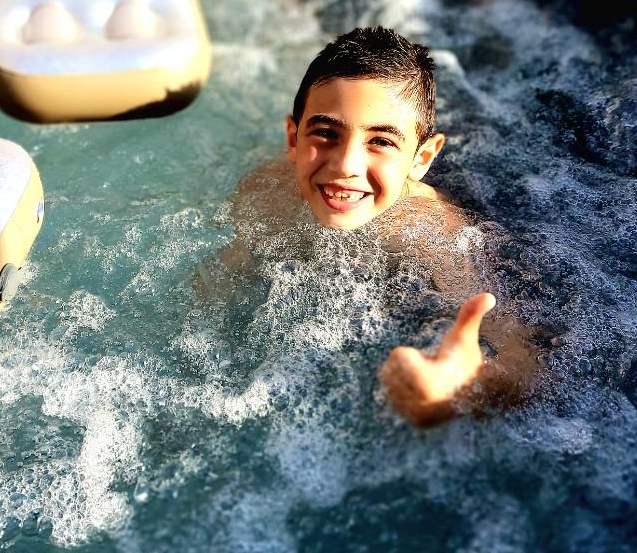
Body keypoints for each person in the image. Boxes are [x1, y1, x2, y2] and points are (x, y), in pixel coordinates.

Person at [223, 26, 546, 427]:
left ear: (421, 159)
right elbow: (227, 276)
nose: (345, 165)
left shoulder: (432, 234)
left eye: (380, 142)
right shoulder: (265, 189)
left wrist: (465, 388)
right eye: (325, 133)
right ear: (293, 139)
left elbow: (523, 355)